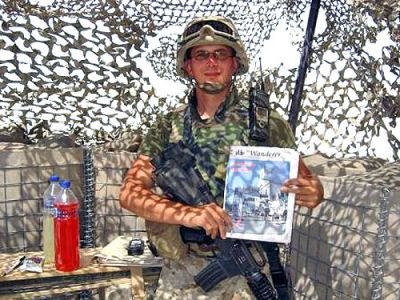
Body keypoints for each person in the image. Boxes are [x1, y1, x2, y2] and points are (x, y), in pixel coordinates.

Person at [120, 16, 324, 299]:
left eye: (220, 54)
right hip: (182, 270)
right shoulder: (167, 126)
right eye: (201, 55)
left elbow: (307, 184)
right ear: (188, 66)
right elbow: (131, 194)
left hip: (249, 265)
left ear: (235, 63)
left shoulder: (265, 124)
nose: (212, 63)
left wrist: (313, 191)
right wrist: (189, 214)